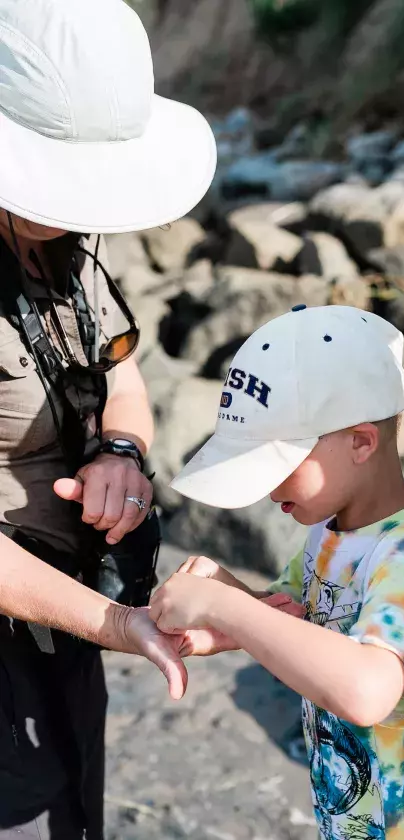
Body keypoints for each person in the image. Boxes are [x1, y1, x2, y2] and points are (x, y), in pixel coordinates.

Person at [0, 0, 221, 836]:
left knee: (77, 803)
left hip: (68, 609)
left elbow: (120, 372)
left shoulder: (64, 241)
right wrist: (121, 623)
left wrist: (120, 451)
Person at [150, 304, 404, 839]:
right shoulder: (331, 530)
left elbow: (367, 691)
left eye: (279, 465)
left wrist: (224, 607)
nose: (269, 490)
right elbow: (296, 616)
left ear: (360, 442)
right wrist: (228, 606)